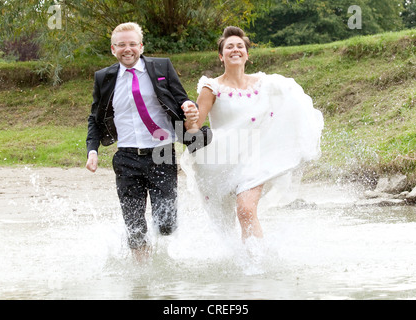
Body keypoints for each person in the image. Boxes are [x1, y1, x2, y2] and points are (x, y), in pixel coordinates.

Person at [182, 26, 324, 243]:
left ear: (247, 54)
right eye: (229, 47)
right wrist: (190, 117)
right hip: (219, 162)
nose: (235, 50)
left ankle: (255, 263)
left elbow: (293, 101)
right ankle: (235, 261)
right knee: (224, 223)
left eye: (240, 46)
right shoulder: (211, 88)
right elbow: (194, 128)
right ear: (221, 56)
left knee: (246, 211)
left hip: (255, 159)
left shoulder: (266, 83)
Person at [86, 22, 208, 262]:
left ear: (141, 46)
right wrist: (93, 149)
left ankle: (164, 261)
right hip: (126, 156)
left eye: (132, 44)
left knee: (166, 225)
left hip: (161, 153)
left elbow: (181, 98)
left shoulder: (161, 67)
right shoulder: (104, 78)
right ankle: (142, 274)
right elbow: (95, 117)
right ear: (113, 49)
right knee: (134, 225)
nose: (127, 49)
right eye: (121, 45)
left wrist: (187, 106)